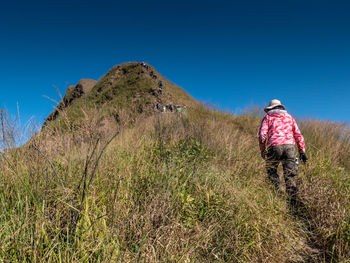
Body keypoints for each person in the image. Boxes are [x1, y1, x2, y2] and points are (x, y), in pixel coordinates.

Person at [258, 99, 308, 206]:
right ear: (280, 107)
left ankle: (279, 193)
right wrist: (302, 151)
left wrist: (262, 149)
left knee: (271, 171)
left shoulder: (268, 117)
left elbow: (262, 135)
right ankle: (292, 203)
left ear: (270, 108)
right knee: (290, 175)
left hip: (274, 147)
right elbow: (298, 135)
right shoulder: (289, 117)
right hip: (290, 148)